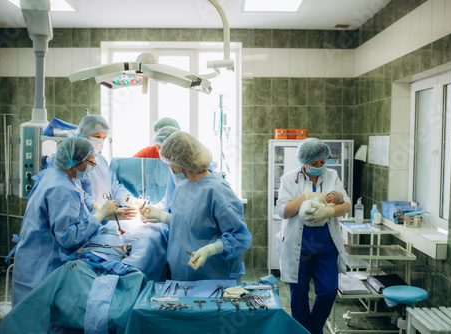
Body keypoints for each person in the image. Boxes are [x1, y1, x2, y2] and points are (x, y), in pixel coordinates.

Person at [12, 137, 120, 306]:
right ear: (74, 162)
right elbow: (67, 237)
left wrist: (101, 210)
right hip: (41, 267)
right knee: (37, 320)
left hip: (32, 258)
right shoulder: (61, 188)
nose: (93, 167)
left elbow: (81, 197)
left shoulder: (58, 175)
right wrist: (100, 216)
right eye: (91, 162)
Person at [140, 131, 251, 282]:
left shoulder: (217, 190)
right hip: (182, 273)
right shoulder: (183, 186)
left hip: (214, 276)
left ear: (181, 161)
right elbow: (190, 223)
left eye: (170, 162)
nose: (170, 166)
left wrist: (210, 249)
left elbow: (240, 236)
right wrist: (161, 216)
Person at [276, 138, 351, 334]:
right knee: (299, 295)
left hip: (326, 246)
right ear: (304, 162)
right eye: (314, 163)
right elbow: (282, 211)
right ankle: (303, 330)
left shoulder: (332, 176)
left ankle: (312, 329)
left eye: (322, 162)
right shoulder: (288, 179)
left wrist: (329, 212)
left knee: (328, 291)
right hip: (298, 248)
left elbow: (346, 204)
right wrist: (305, 198)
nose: (319, 167)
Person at [77, 114, 141, 213]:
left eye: (104, 138)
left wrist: (131, 201)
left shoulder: (101, 160)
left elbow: (114, 187)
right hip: (87, 218)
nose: (100, 142)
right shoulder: (74, 162)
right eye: (97, 137)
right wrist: (101, 212)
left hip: (104, 219)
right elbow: (78, 195)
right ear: (82, 132)